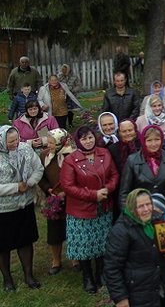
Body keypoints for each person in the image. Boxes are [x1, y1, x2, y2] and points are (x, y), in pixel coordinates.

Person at [104, 188, 165, 307]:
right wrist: (120, 297)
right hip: (135, 293)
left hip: (154, 289)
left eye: (148, 204)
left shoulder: (155, 223)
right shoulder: (121, 231)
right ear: (131, 208)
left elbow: (163, 253)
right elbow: (112, 268)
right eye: (140, 206)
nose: (146, 209)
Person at [61, 125, 120, 294]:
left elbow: (114, 175)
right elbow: (68, 186)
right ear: (78, 141)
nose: (88, 141)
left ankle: (101, 272)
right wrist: (93, 195)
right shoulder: (71, 160)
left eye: (90, 137)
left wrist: (107, 189)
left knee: (102, 241)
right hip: (82, 210)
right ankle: (87, 276)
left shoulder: (104, 153)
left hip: (103, 207)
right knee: (85, 245)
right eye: (84, 138)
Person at [0, 125, 44, 292]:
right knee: (3, 246)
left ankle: (29, 275)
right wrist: (15, 187)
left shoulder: (25, 149)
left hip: (24, 205)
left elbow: (38, 168)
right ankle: (7, 279)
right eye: (10, 141)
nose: (15, 143)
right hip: (3, 210)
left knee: (25, 240)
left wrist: (31, 182)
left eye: (16, 139)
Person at [118, 125, 165, 215]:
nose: (153, 144)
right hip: (140, 212)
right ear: (143, 142)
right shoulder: (132, 160)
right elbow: (124, 193)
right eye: (149, 140)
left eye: (157, 140)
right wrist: (128, 215)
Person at [38, 128, 76, 275]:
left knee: (72, 228)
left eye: (53, 143)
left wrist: (67, 192)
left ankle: (75, 258)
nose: (50, 145)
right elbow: (40, 176)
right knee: (54, 230)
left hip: (72, 198)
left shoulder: (72, 154)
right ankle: (56, 260)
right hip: (53, 199)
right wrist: (48, 189)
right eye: (49, 142)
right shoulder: (44, 156)